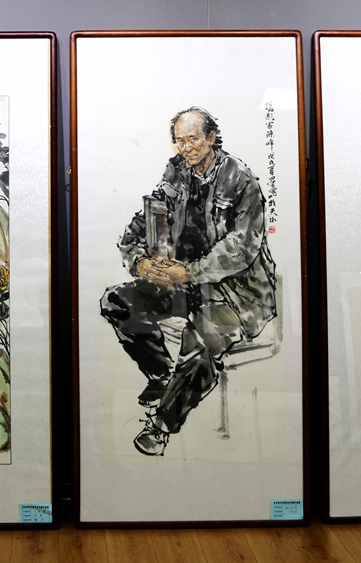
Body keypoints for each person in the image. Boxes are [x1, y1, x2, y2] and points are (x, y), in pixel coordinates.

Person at [100, 106, 277, 456]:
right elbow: (144, 220)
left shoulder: (241, 180)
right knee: (116, 301)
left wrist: (191, 272)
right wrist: (138, 261)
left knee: (201, 340)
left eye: (193, 139)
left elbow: (242, 247)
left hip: (237, 294)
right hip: (182, 284)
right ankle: (162, 376)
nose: (186, 148)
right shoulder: (176, 172)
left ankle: (162, 426)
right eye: (179, 141)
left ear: (212, 137)